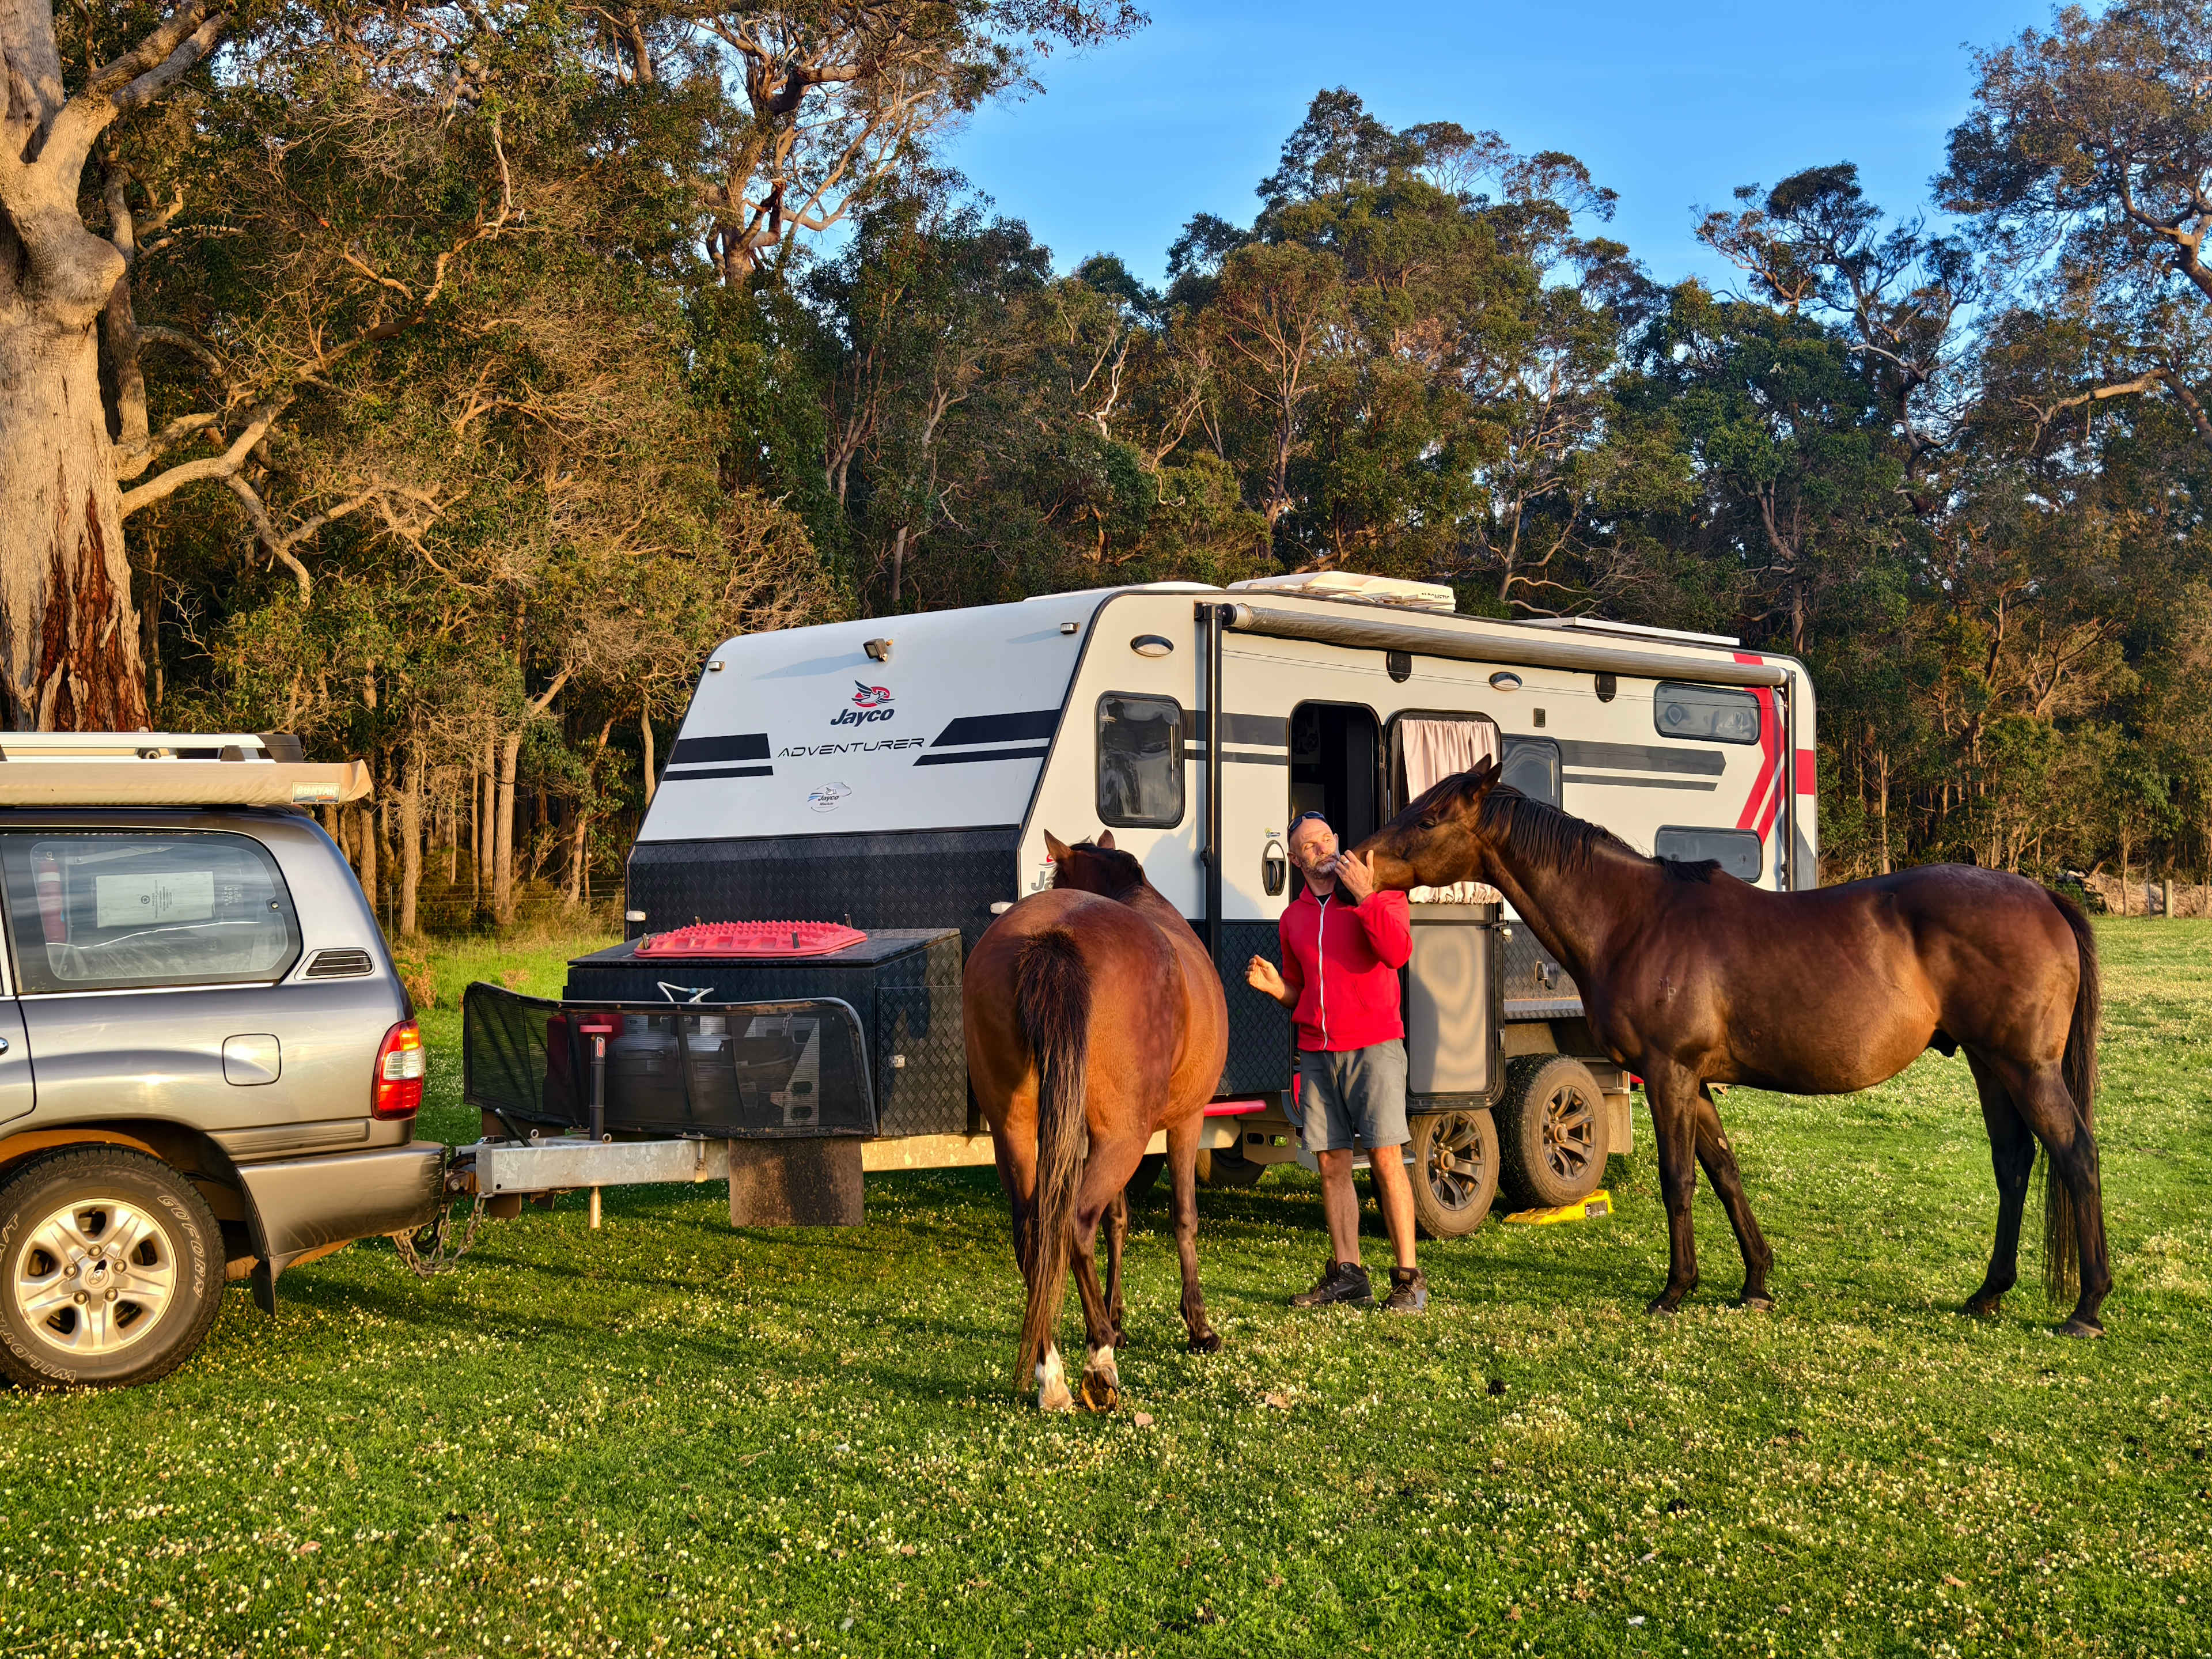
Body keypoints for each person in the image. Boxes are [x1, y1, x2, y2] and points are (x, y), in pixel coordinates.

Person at [1245, 810, 1426, 1313]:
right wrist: (1276, 988)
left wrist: (1366, 898)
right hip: (1318, 1053)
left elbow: (1398, 953)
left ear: (1338, 840)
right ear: (1296, 860)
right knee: (1330, 1163)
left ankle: (1409, 1280)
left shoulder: (1382, 892)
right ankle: (1350, 1275)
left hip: (1375, 1045)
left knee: (1386, 1157)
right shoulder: (1293, 919)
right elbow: (1300, 991)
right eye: (1309, 845)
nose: (1322, 848)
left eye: (1326, 838)